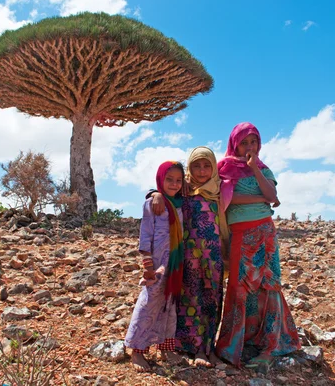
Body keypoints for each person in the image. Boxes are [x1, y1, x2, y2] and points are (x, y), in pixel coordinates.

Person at [215, 122, 300, 368]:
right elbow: (227, 198)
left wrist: (255, 170)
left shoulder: (263, 169)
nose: (249, 147)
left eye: (253, 142)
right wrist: (262, 197)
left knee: (268, 284)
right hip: (240, 233)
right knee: (241, 285)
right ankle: (234, 346)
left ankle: (270, 344)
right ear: (235, 144)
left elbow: (272, 195)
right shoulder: (224, 168)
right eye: (244, 142)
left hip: (265, 232)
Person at [148, 147, 228, 367]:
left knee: (212, 300)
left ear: (213, 167)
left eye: (206, 165)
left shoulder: (221, 190)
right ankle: (189, 347)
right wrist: (153, 194)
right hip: (188, 256)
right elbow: (165, 192)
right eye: (196, 166)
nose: (202, 171)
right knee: (190, 298)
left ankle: (207, 348)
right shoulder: (184, 189)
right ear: (189, 169)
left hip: (213, 257)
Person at [125, 161, 185, 372]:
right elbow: (146, 235)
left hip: (175, 262)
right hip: (157, 263)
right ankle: (137, 350)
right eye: (169, 179)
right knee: (149, 302)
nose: (174, 184)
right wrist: (147, 264)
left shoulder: (180, 204)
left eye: (178, 180)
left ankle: (166, 347)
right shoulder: (153, 203)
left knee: (170, 303)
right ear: (160, 179)